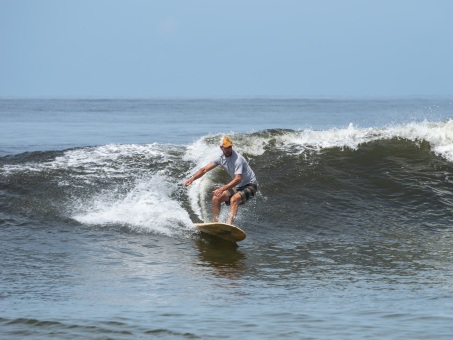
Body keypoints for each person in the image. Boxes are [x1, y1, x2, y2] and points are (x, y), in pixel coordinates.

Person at [184, 136, 258, 225]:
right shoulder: (220, 158)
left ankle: (228, 224)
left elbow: (238, 179)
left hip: (250, 184)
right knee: (216, 197)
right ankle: (215, 223)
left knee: (234, 199)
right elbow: (204, 169)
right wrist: (192, 178)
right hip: (238, 186)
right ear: (221, 148)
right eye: (226, 147)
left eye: (230, 147)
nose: (228, 149)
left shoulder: (238, 159)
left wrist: (222, 188)